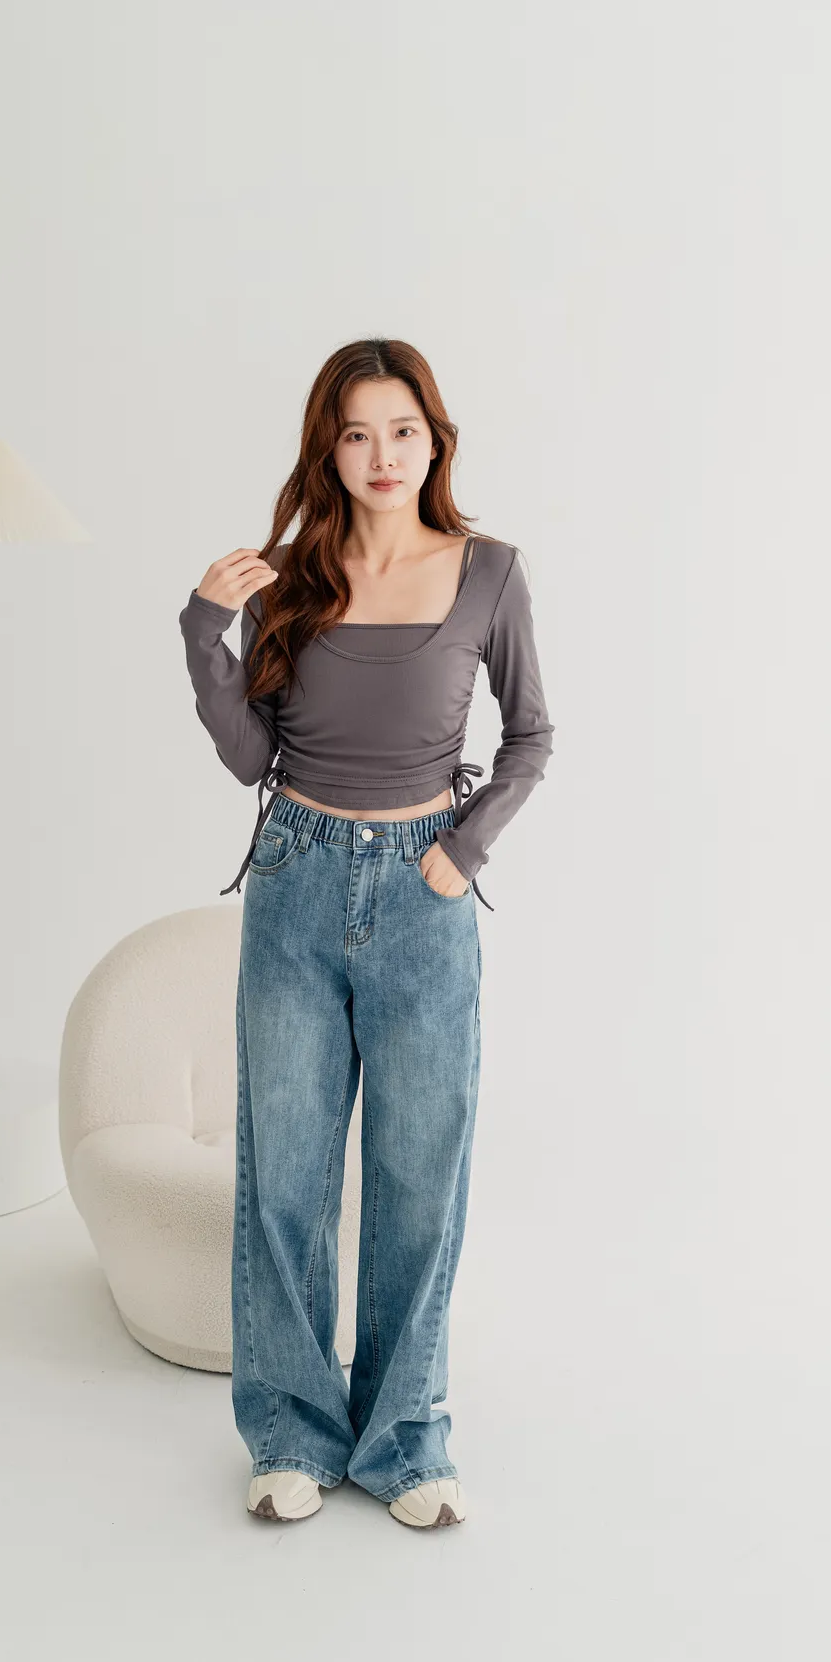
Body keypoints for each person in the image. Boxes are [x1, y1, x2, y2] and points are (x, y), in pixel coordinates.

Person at [178, 337, 555, 1529]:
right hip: (294, 880)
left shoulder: (489, 573)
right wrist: (203, 633)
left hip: (423, 897)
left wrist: (462, 850)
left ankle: (406, 1441)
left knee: (417, 1175)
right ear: (327, 451)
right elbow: (252, 755)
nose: (382, 454)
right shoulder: (290, 576)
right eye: (356, 434)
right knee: (285, 1170)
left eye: (402, 430)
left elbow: (533, 734)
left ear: (435, 441)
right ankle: (291, 1433)